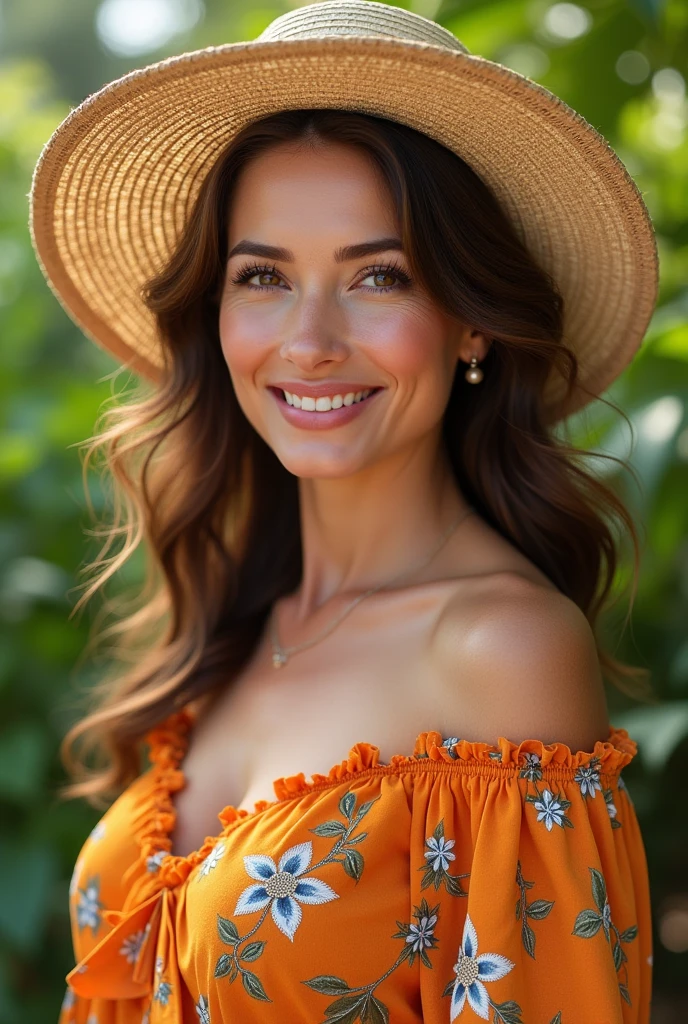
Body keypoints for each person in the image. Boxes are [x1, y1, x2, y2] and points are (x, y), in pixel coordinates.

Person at [29, 2, 658, 1022]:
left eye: (378, 275)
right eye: (263, 276)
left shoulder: (500, 648)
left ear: (470, 325)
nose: (310, 340)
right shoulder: (235, 617)